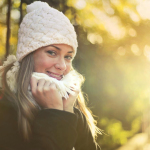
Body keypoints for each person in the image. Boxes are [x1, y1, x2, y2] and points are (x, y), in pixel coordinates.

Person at [0, 1, 101, 150]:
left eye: (68, 57)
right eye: (52, 52)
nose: (62, 65)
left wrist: (65, 112)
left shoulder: (72, 109)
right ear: (28, 55)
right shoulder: (5, 111)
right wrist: (54, 114)